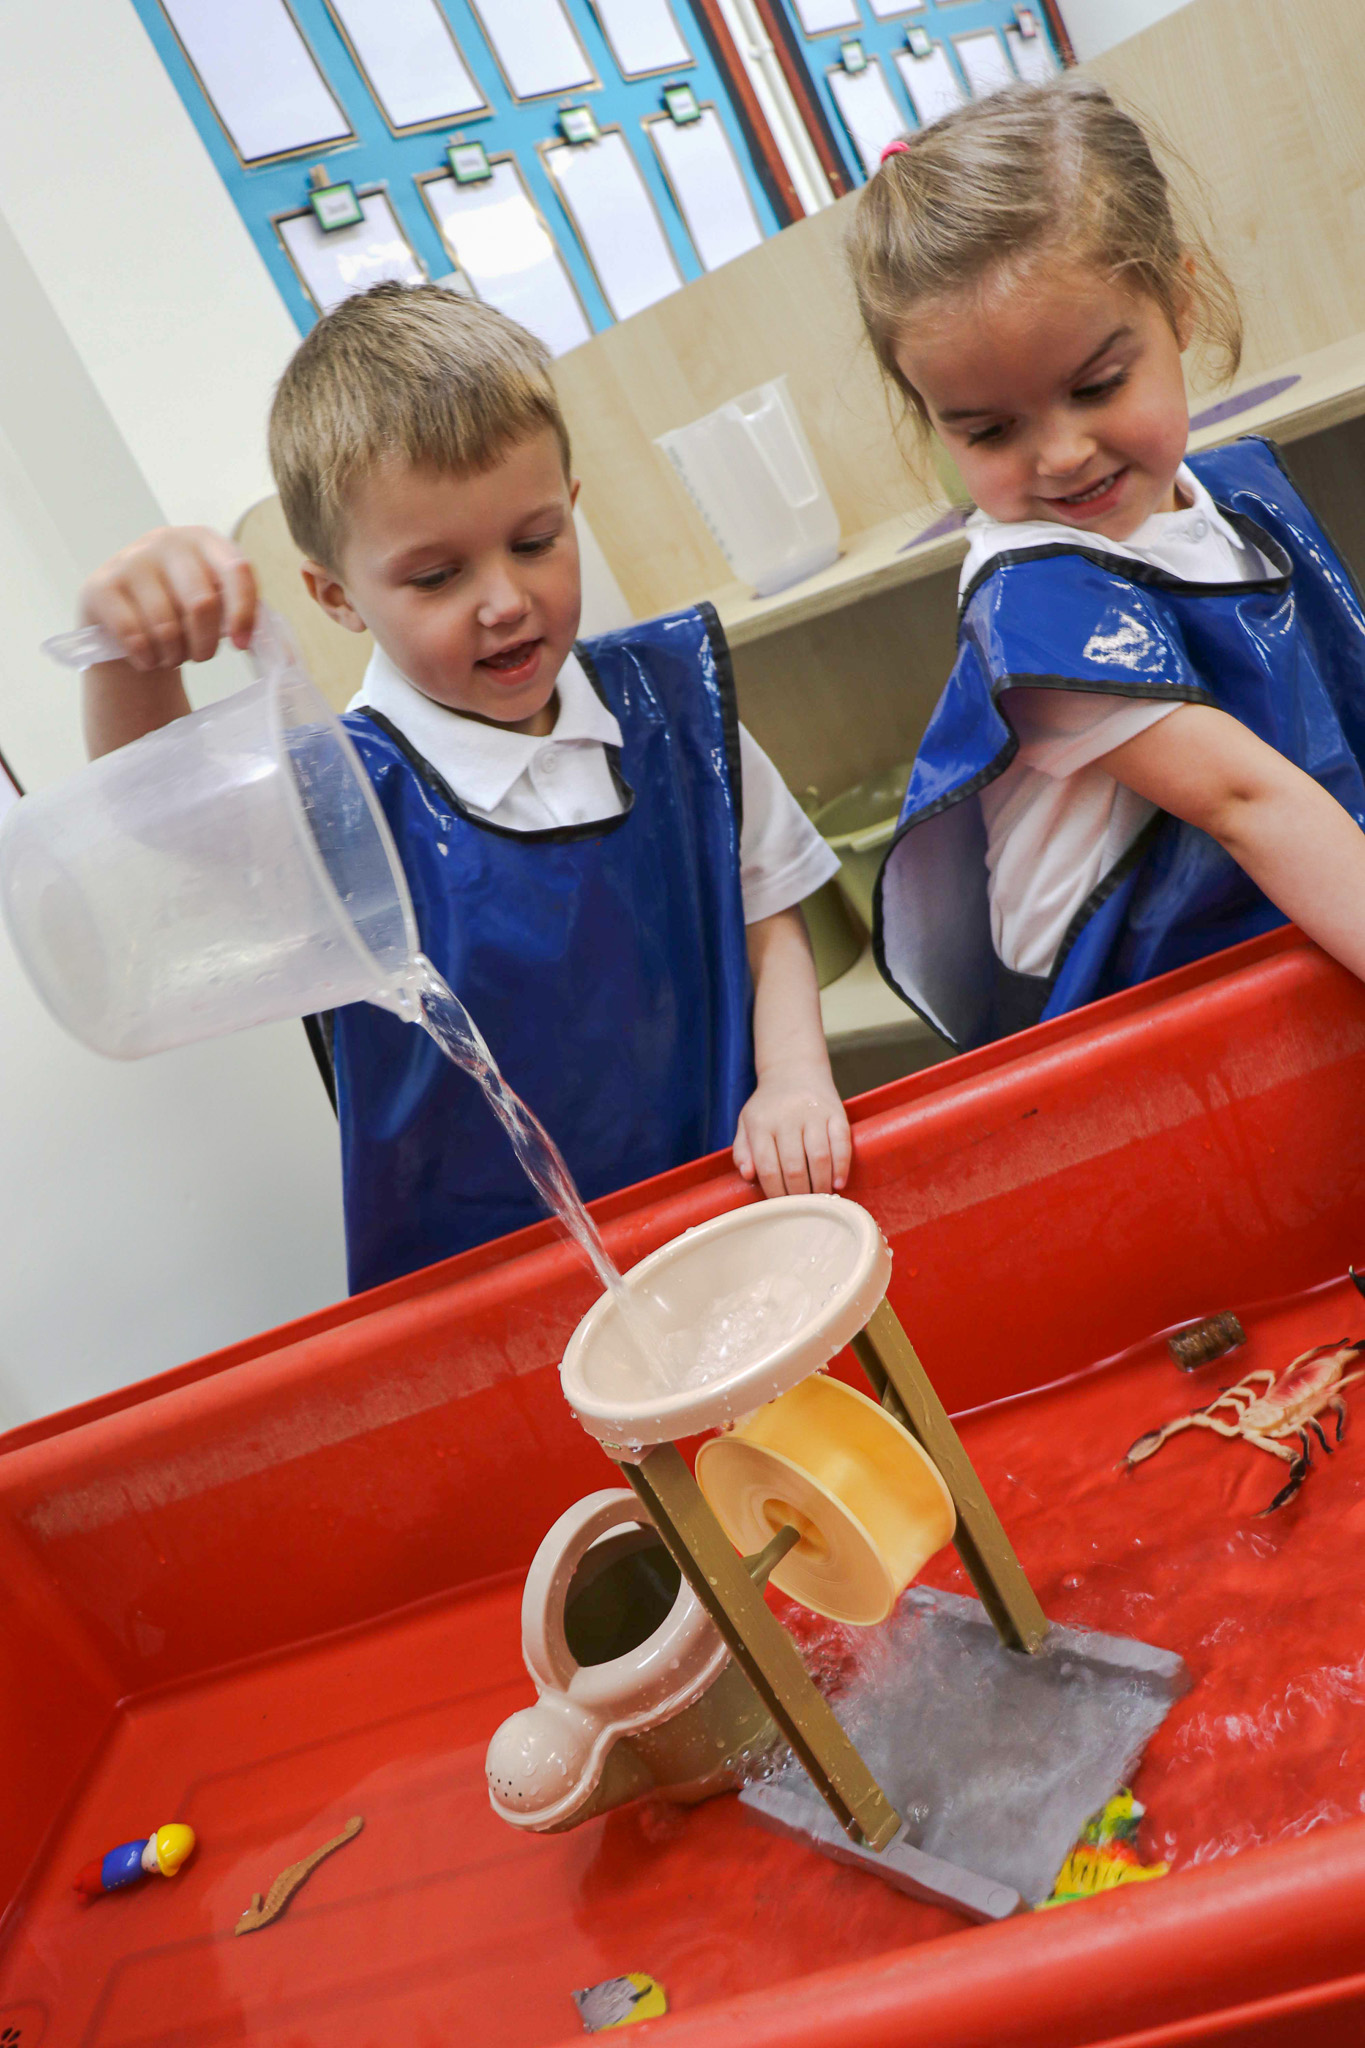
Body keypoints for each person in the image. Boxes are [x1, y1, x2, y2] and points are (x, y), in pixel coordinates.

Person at [77, 284, 850, 1292]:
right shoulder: (340, 796)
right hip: (492, 1303)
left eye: (534, 542)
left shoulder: (681, 703)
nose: (504, 600)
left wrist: (794, 1077)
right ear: (335, 596)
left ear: (573, 505)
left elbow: (767, 917)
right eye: (437, 577)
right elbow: (160, 817)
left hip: (732, 1223)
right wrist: (128, 652)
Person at [848, 78, 1365, 1050]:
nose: (1061, 455)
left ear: (1179, 298)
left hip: (1259, 949)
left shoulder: (1231, 494)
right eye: (989, 428)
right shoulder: (1037, 597)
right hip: (1129, 1026)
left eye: (1095, 386)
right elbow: (1249, 802)